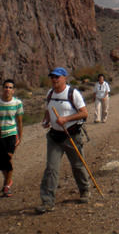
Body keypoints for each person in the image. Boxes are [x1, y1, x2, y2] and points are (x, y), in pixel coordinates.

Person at [36, 67, 90, 213]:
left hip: (72, 135)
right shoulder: (50, 93)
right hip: (55, 136)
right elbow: (48, 110)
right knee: (51, 168)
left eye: (57, 77)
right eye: (52, 77)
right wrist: (47, 120)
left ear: (65, 78)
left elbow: (84, 113)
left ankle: (84, 190)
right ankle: (47, 201)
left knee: (78, 165)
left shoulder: (73, 94)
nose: (54, 80)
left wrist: (66, 118)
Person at [0, 79, 24, 198]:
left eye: (10, 87)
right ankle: (8, 180)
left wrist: (20, 137)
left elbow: (19, 121)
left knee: (8, 157)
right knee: (1, 162)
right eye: (6, 87)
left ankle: (7, 186)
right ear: (2, 88)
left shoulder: (17, 103)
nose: (7, 89)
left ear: (13, 90)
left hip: (11, 134)